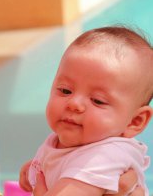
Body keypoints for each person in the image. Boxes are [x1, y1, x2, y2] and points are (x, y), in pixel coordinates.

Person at [21, 26, 153, 196]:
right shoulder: (69, 141)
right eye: (65, 90)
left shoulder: (106, 156)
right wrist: (37, 168)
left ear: (135, 121)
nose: (74, 104)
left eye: (97, 101)